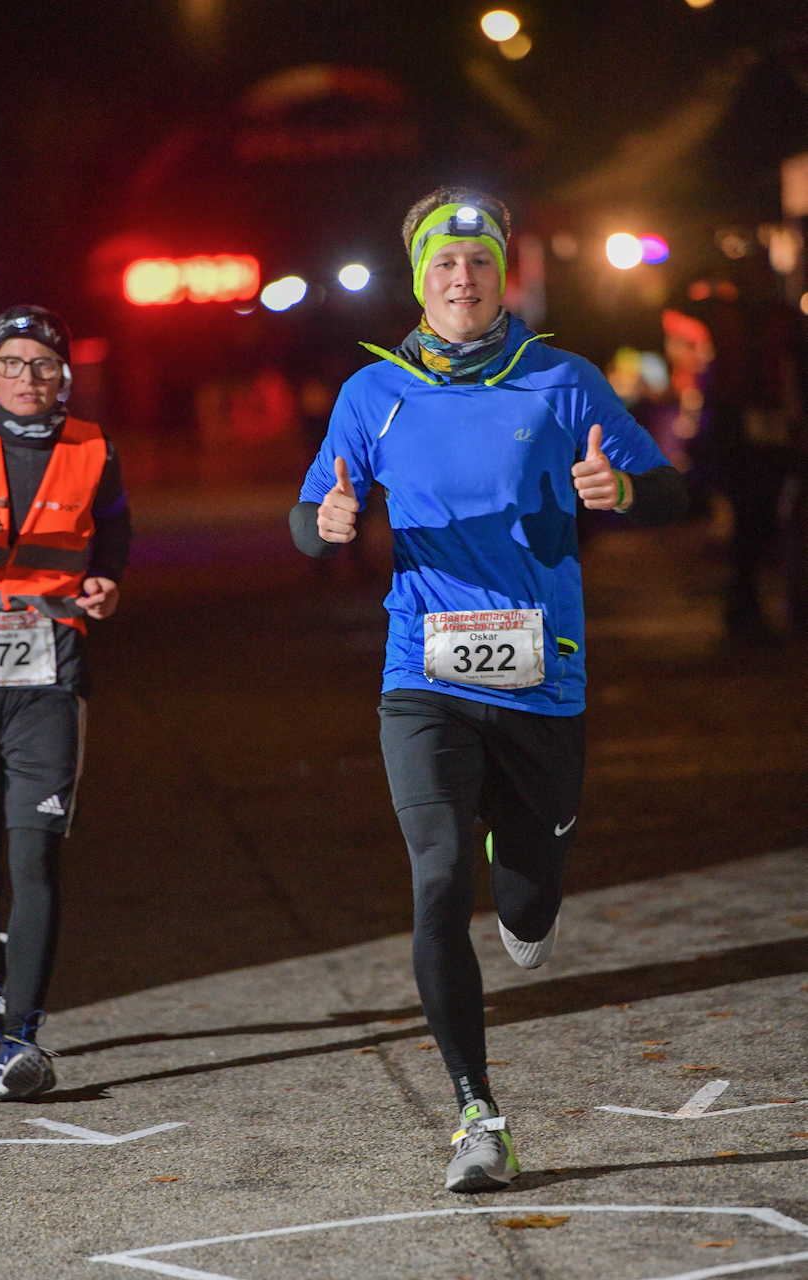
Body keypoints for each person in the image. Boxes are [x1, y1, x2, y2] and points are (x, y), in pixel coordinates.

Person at [290, 187, 688, 1193]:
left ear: (499, 273)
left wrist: (624, 491)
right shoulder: (371, 393)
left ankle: (530, 888)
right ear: (416, 279)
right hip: (418, 671)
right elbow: (308, 514)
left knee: (525, 893)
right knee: (434, 877)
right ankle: (476, 1109)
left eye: (474, 261)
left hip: (538, 677)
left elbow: (677, 486)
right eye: (440, 264)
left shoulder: (561, 381)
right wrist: (328, 522)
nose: (458, 278)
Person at [0, 305, 132, 1101]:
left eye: (44, 364)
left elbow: (117, 530)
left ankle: (24, 1034)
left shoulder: (94, 446)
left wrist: (106, 582)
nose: (29, 378)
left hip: (49, 674)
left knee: (35, 851)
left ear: (65, 373)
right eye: (13, 364)